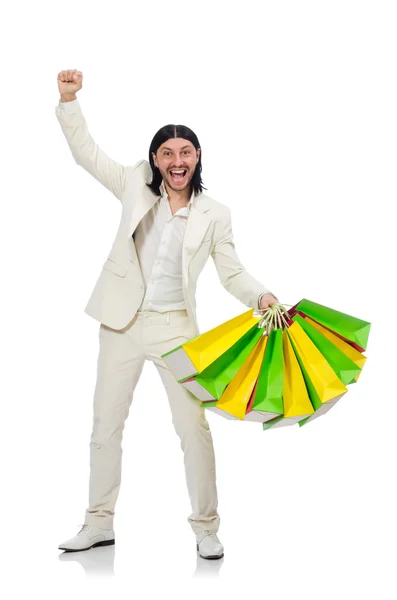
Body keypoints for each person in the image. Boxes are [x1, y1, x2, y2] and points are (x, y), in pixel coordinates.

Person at [55, 69, 278, 559]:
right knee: (105, 426)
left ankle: (206, 527)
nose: (177, 161)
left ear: (197, 158)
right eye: (167, 153)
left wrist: (261, 296)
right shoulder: (136, 184)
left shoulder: (215, 213)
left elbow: (231, 272)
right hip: (122, 323)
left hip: (177, 327)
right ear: (156, 159)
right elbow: (87, 154)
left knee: (193, 428)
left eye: (186, 152)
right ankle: (97, 523)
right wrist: (69, 102)